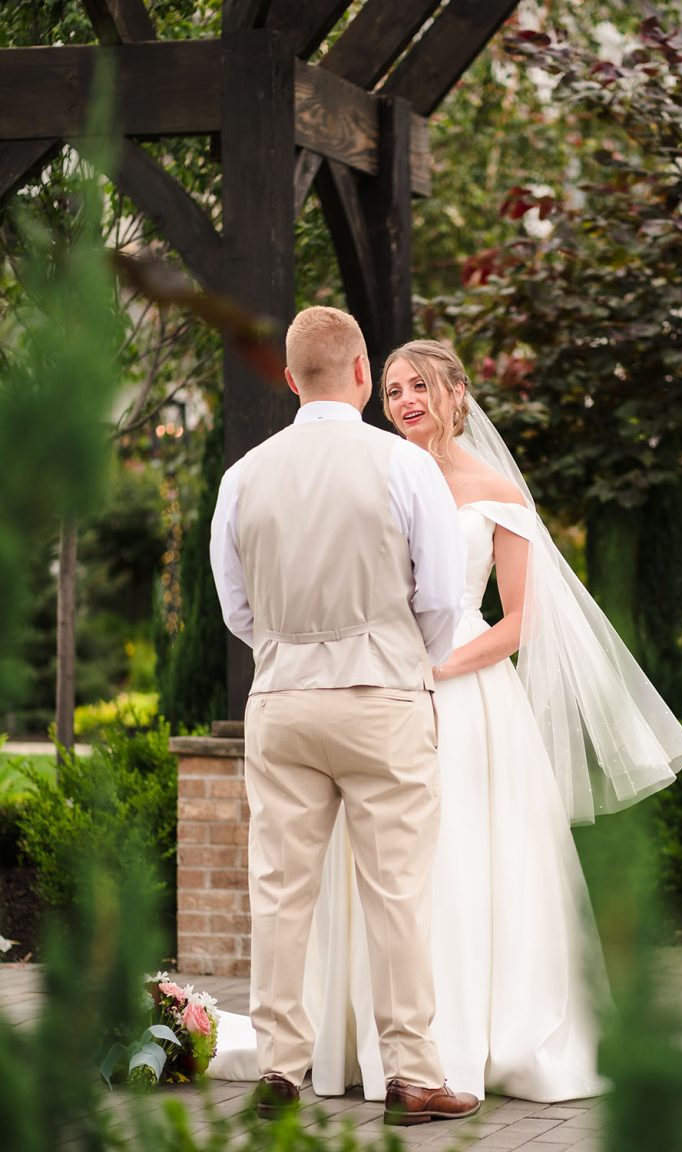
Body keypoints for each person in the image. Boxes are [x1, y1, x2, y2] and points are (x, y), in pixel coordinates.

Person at [300, 339, 682, 1103]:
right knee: (382, 866)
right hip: (378, 690)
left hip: (468, 698)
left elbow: (518, 621)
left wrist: (441, 667)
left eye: (419, 385)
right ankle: (378, 1039)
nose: (405, 400)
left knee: (461, 861)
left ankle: (469, 1039)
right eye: (390, 391)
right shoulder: (376, 476)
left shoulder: (495, 493)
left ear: (455, 392)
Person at [209, 309, 481, 1126]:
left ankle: (281, 1073)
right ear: (363, 373)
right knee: (396, 892)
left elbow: (235, 606)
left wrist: (293, 650)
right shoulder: (403, 467)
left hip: (282, 700)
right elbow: (437, 599)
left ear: (292, 380)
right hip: (383, 695)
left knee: (280, 891)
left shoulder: (244, 475)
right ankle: (410, 1077)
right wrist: (388, 652)